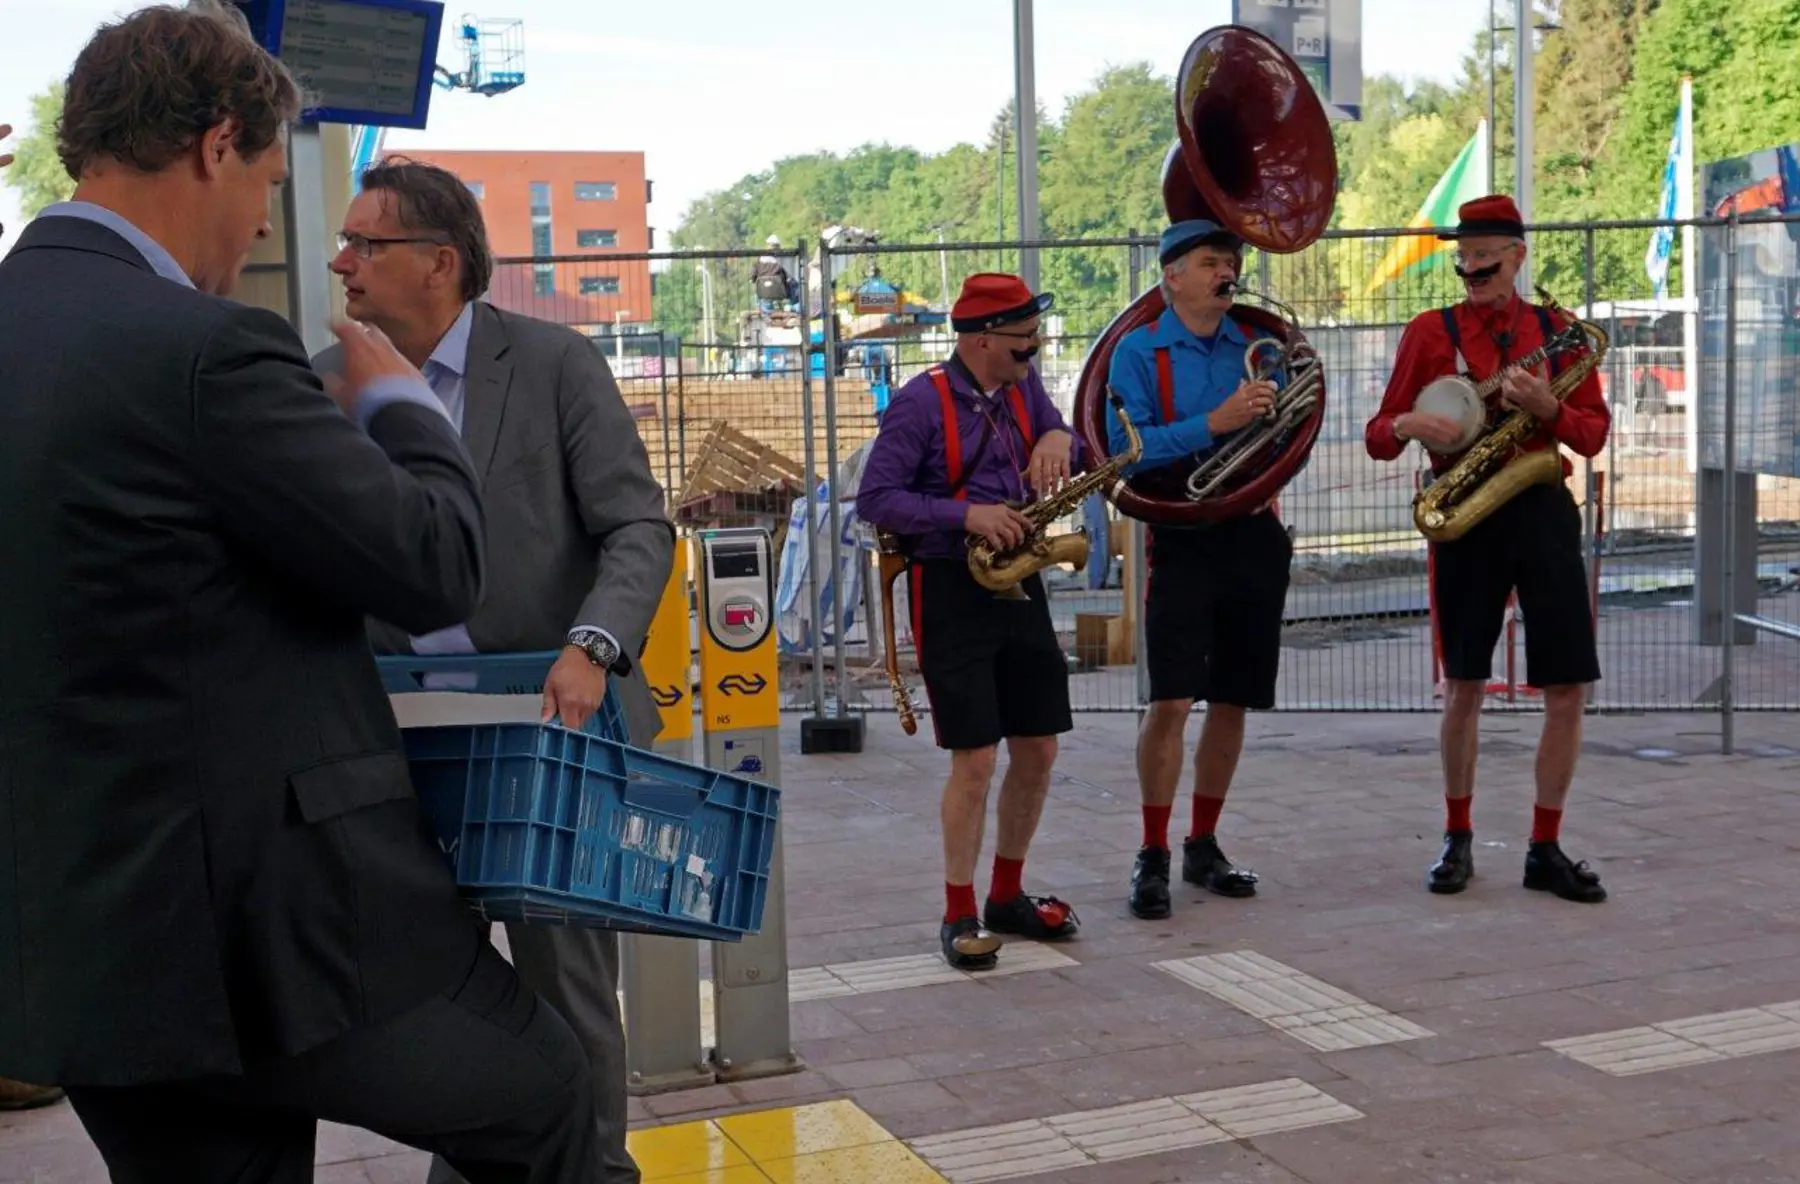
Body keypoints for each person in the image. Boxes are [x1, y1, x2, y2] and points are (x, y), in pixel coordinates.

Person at [0, 8, 597, 1181]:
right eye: (269, 175)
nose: (271, 215)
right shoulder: (209, 349)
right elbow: (430, 559)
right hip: (281, 937)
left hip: (84, 944)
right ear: (217, 144)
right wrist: (401, 410)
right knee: (542, 1097)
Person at [315, 156, 674, 1184]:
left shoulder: (554, 364)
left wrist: (592, 645)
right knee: (431, 985)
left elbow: (637, 528)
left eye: (365, 244)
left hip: (548, 725)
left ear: (439, 261)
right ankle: (477, 1159)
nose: (342, 262)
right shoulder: (327, 379)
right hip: (397, 734)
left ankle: (593, 1169)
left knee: (566, 978)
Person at [1365, 193, 1609, 905]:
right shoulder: (1428, 332)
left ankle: (1545, 845)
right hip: (1465, 512)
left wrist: (1547, 410)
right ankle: (1457, 836)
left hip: (1538, 502)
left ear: (1517, 257)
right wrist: (1411, 421)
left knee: (1566, 686)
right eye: (1464, 262)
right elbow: (1379, 434)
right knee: (1463, 684)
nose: (1471, 274)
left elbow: (1592, 435)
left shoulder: (1559, 332)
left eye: (1484, 262)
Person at [857, 272, 1084, 970]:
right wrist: (967, 515)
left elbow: (1056, 427)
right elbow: (876, 498)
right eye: (1023, 345)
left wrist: (1058, 435)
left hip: (1019, 576)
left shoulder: (1022, 383)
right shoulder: (919, 404)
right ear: (981, 340)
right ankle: (958, 911)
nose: (1033, 354)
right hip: (950, 582)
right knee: (976, 758)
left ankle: (1006, 895)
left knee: (1039, 748)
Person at [1104, 220, 1293, 920]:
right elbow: (1126, 451)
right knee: (1173, 699)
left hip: (1252, 532)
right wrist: (1213, 424)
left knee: (1235, 697)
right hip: (1182, 535)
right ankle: (1152, 848)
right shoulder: (1136, 352)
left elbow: (1289, 432)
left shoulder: (1255, 346)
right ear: (1172, 275)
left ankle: (1203, 841)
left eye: (1231, 261)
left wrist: (1263, 421)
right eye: (1212, 262)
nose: (1228, 272)